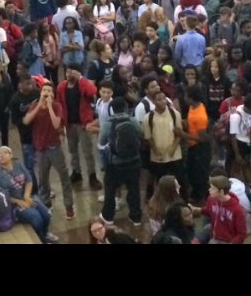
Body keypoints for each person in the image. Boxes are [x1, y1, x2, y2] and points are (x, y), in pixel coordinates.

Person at [23, 81, 75, 218]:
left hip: (54, 147)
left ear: (53, 94)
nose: (46, 93)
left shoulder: (57, 106)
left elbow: (56, 123)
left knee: (64, 176)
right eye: (44, 90)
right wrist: (40, 105)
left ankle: (69, 206)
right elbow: (26, 121)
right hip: (40, 148)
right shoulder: (35, 105)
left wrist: (50, 106)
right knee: (43, 179)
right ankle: (46, 203)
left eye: (49, 91)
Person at [0, 146, 58, 243]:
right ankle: (41, 238)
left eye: (5, 153)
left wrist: (26, 196)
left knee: (46, 214)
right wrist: (18, 201)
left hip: (26, 197)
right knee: (36, 218)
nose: (2, 155)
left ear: (11, 155)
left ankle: (45, 233)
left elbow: (29, 180)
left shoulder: (18, 164)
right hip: (12, 205)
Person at [100, 96, 143, 227]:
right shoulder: (132, 120)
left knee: (110, 190)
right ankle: (136, 217)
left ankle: (108, 217)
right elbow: (140, 134)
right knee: (134, 189)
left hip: (115, 164)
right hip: (134, 161)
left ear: (112, 109)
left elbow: (102, 143)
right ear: (125, 107)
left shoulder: (107, 124)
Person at [56, 68, 102, 189]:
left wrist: (81, 78)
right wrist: (61, 124)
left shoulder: (82, 85)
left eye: (72, 72)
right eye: (67, 72)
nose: (69, 74)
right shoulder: (61, 87)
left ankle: (92, 175)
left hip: (83, 124)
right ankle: (76, 172)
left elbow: (93, 91)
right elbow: (59, 105)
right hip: (69, 124)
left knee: (88, 151)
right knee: (72, 151)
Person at [142, 89, 184, 200]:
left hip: (174, 154)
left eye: (164, 98)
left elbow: (179, 134)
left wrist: (173, 148)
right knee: (161, 180)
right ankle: (164, 201)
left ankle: (181, 200)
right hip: (158, 156)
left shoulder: (175, 114)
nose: (162, 102)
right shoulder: (148, 118)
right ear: (154, 102)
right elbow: (148, 137)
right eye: (159, 99)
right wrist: (155, 150)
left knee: (179, 179)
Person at [194, 175, 247, 244]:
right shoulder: (211, 199)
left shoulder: (237, 209)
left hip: (230, 241)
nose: (209, 190)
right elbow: (209, 211)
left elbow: (242, 233)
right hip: (215, 238)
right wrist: (197, 210)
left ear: (221, 192)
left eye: (212, 188)